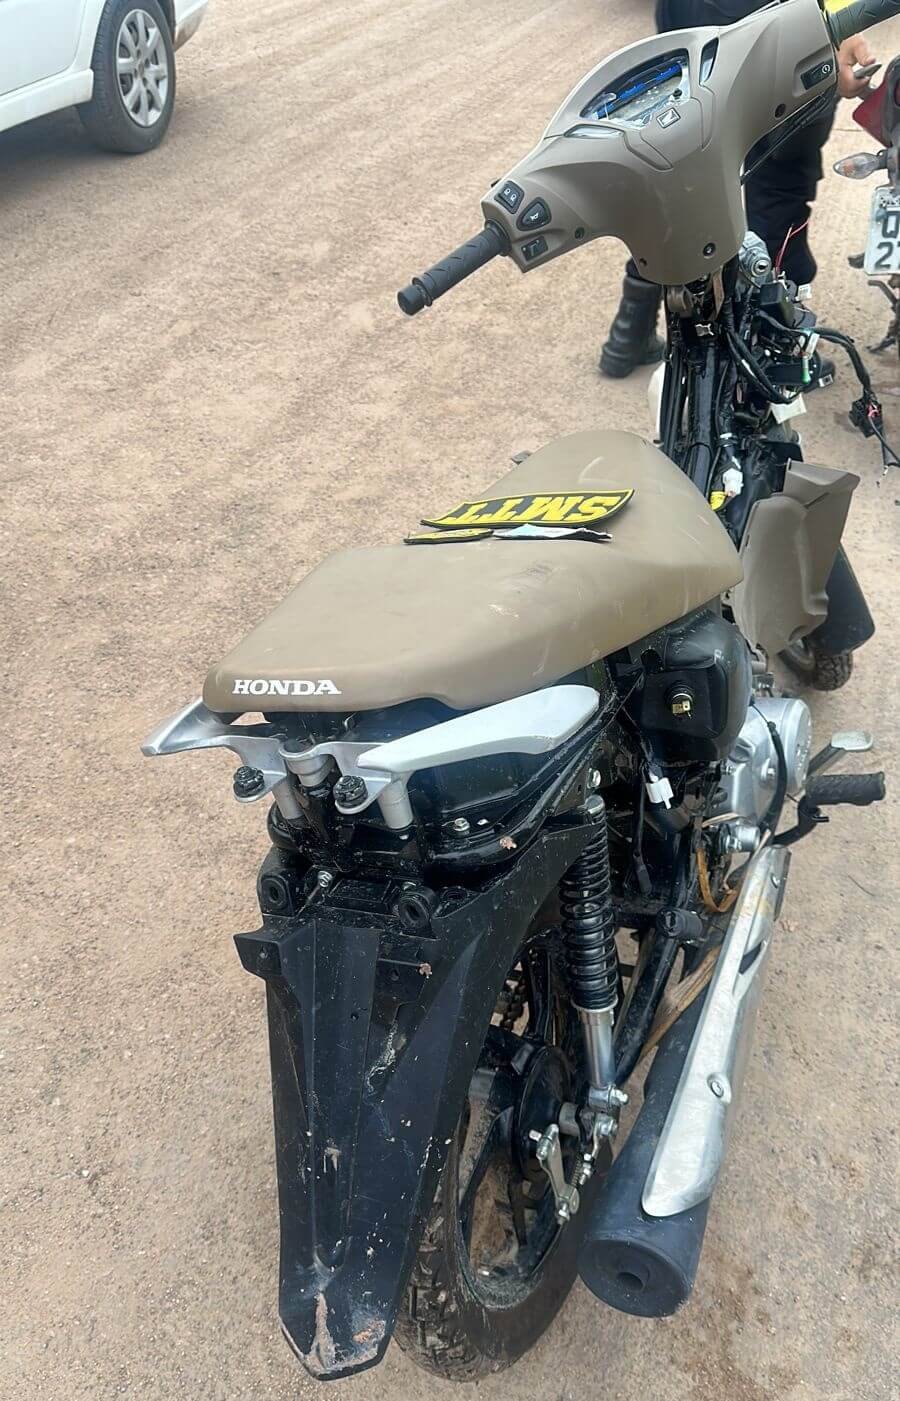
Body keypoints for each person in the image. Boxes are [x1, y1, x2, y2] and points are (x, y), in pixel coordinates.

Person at [599, 0, 877, 378]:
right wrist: (839, 25)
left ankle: (629, 332)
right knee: (779, 188)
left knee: (681, 176)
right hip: (783, 23)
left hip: (691, 16)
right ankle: (772, 350)